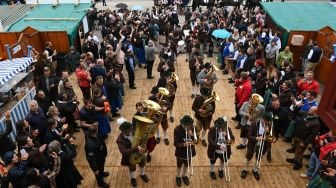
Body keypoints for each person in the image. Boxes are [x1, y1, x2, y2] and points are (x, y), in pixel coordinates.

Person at [241, 112, 274, 180]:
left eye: (267, 121)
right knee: (248, 157)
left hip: (263, 145)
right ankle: (245, 169)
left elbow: (272, 138)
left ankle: (255, 170)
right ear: (261, 119)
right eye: (264, 120)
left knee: (258, 158)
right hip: (253, 143)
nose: (265, 123)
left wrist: (268, 132)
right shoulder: (254, 124)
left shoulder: (269, 126)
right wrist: (257, 138)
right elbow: (249, 136)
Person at [116, 120, 149, 187]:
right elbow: (124, 152)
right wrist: (136, 148)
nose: (129, 132)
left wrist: (143, 143)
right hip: (129, 156)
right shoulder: (120, 140)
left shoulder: (134, 132)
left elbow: (141, 139)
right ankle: (133, 178)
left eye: (130, 130)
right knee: (132, 167)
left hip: (140, 152)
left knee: (142, 163)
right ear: (122, 131)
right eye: (127, 131)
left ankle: (142, 174)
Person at [286, 106, 320, 170]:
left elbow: (312, 135)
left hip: (303, 140)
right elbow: (297, 112)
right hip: (297, 135)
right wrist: (296, 106)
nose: (309, 110)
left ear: (315, 113)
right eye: (310, 109)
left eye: (311, 110)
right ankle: (295, 160)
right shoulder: (305, 114)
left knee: (300, 152)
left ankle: (299, 163)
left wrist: (305, 142)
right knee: (296, 149)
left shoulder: (316, 123)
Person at [174, 115, 196, 187]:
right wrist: (183, 144)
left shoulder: (192, 128)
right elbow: (176, 143)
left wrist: (192, 135)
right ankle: (178, 176)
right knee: (179, 166)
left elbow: (196, 141)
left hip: (189, 151)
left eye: (188, 125)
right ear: (182, 123)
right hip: (180, 152)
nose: (187, 127)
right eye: (185, 125)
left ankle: (184, 175)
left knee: (187, 165)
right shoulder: (177, 129)